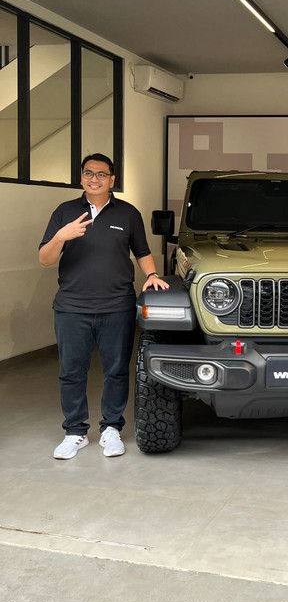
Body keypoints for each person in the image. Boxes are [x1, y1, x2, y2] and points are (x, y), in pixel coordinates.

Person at [39, 153, 168, 460]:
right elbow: (45, 258)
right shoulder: (65, 212)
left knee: (116, 371)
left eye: (101, 174)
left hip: (117, 305)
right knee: (72, 372)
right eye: (88, 173)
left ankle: (111, 428)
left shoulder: (127, 213)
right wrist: (61, 236)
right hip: (71, 307)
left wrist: (151, 275)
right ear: (81, 177)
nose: (93, 178)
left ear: (112, 179)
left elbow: (142, 251)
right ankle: (75, 432)